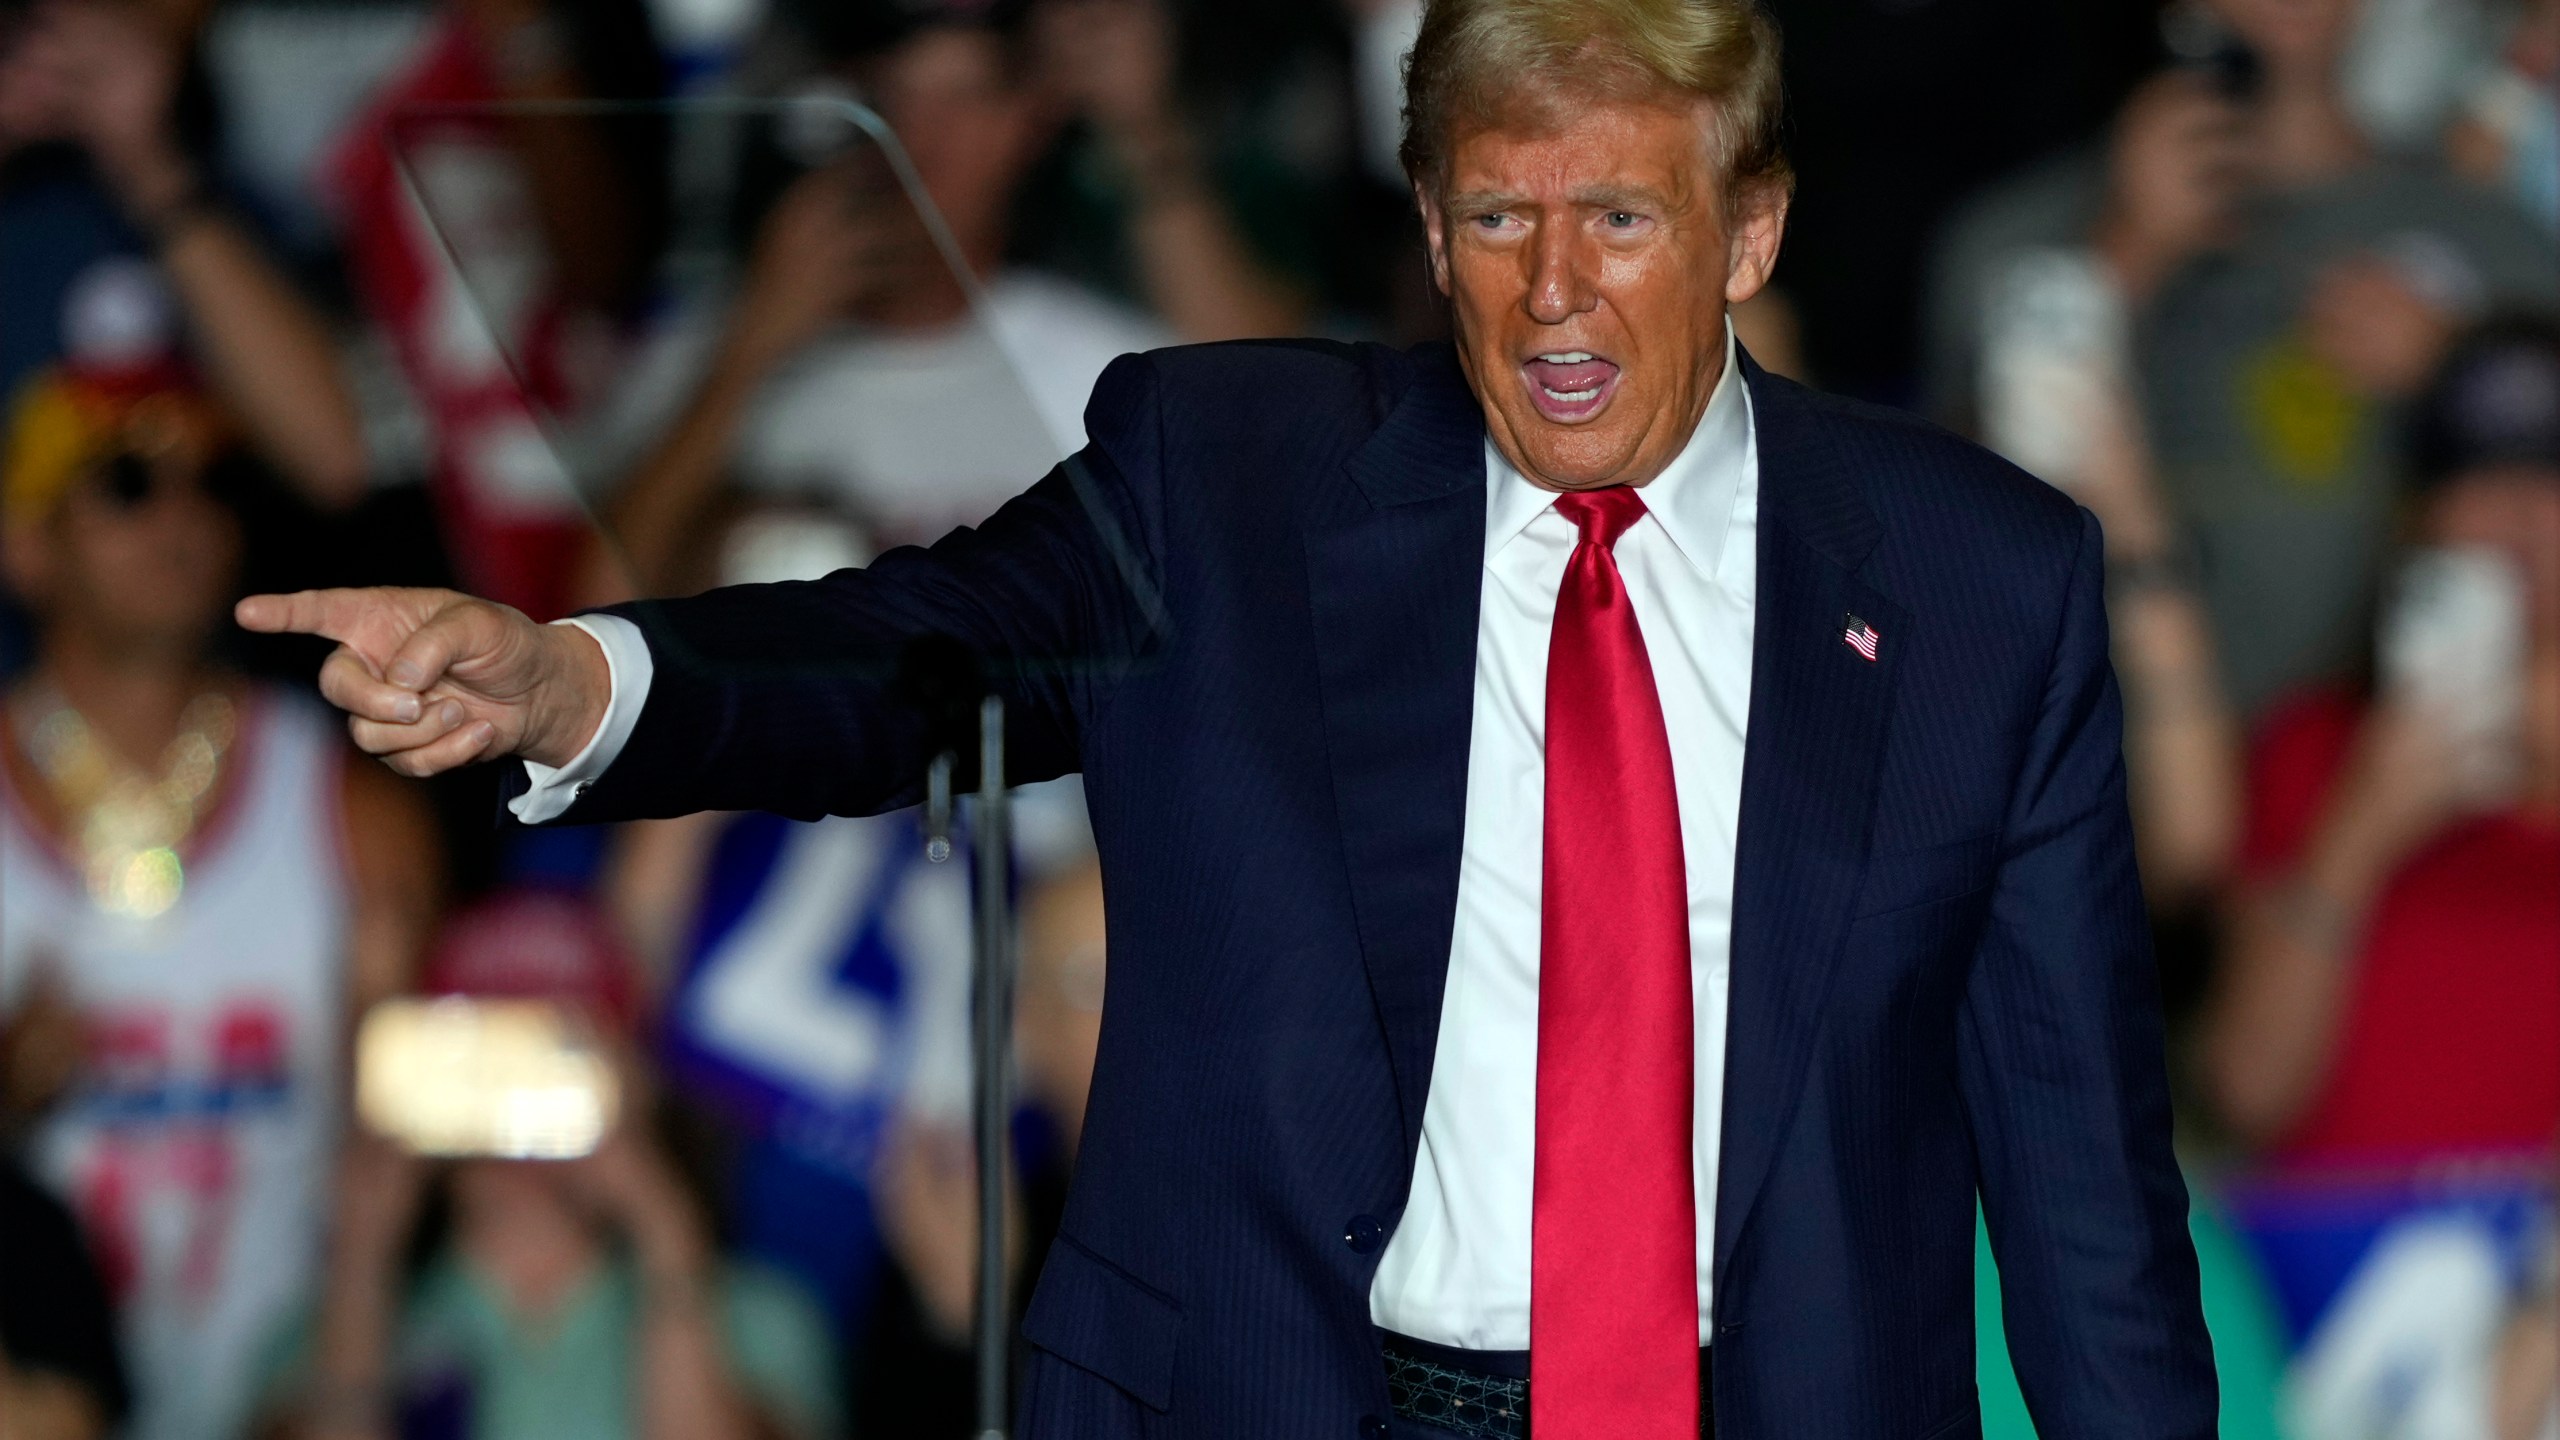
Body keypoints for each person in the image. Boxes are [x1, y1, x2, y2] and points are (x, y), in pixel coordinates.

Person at [242, 0, 2215, 1433]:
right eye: (1494, 221)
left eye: (1617, 220)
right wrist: (572, 675)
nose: (1550, 296)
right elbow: (912, 649)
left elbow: (2076, 1180)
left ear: (1750, 231)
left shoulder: (1973, 582)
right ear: (1426, 231)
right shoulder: (1231, 473)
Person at [0, 364, 438, 1440]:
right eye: (127, 485)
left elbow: (405, 1160)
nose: (183, 518)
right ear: (25, 541)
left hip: (300, 1387)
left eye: (209, 481)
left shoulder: (350, 810)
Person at [1925, 0, 2560, 722]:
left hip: (2383, 799)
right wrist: (2120, 259)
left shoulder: (2496, 239)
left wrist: (2469, 378)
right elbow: (1941, 551)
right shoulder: (2010, 238)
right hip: (2081, 781)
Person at [596, 0, 1170, 596]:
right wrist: (751, 347)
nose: (919, 140)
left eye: (964, 98)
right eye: (886, 99)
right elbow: (594, 613)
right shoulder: (706, 354)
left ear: (1029, 123)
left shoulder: (1116, 373)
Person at [255, 889, 840, 1440]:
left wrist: (666, 1234)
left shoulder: (760, 1326)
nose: (515, 1095)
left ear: (635, 1085)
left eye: (559, 1055)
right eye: (486, 1057)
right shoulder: (323, 1338)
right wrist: (361, 1264)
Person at [2203, 319, 2560, 1165]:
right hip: (2345, 1264)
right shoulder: (2315, 748)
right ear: (2418, 517)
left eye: (2551, 475)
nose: (2517, 513)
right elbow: (2247, 1091)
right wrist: (2360, 831)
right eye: (2474, 475)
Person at [0, 0, 370, 508]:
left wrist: (146, 162)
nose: (28, 78)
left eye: (18, 34)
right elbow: (338, 462)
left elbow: (339, 451)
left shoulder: (95, 174)